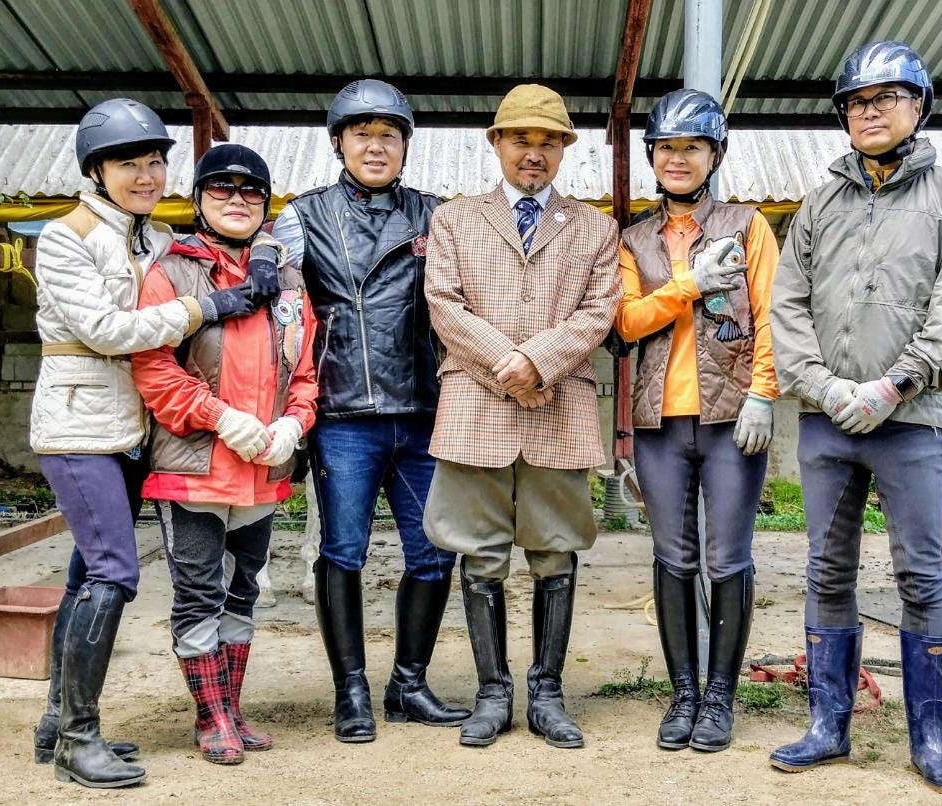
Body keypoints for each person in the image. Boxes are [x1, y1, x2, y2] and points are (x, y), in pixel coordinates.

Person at [768, 41, 942, 796]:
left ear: (918, 106)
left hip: (911, 419)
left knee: (921, 574)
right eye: (857, 102)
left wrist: (895, 385)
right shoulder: (819, 203)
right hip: (827, 419)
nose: (870, 111)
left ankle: (929, 741)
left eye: (886, 98)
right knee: (826, 571)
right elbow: (787, 303)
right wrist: (822, 386)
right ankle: (828, 727)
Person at [31, 99, 270, 788]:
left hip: (134, 430)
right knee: (113, 570)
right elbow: (106, 330)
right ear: (96, 171)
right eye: (128, 164)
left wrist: (259, 259)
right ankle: (79, 740)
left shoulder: (152, 239)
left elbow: (220, 252)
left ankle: (57, 722)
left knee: (85, 574)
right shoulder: (67, 237)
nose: (146, 176)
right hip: (79, 428)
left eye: (155, 162)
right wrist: (205, 307)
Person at [423, 84, 620, 750]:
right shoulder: (455, 219)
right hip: (475, 406)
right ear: (496, 143)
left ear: (564, 150)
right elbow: (444, 304)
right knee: (479, 554)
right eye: (520, 140)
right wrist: (509, 367)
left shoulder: (594, 227)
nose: (533, 154)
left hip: (558, 407)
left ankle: (547, 693)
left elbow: (598, 312)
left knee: (555, 550)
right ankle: (491, 693)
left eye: (547, 142)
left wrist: (538, 362)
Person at [270, 79, 466, 743]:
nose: (376, 146)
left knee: (434, 552)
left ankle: (408, 684)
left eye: (389, 134)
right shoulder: (303, 217)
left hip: (423, 412)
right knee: (343, 551)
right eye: (362, 134)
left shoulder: (438, 216)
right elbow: (281, 310)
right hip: (344, 413)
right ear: (338, 143)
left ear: (405, 146)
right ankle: (350, 690)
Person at [131, 144, 317, 765]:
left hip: (262, 468)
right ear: (199, 199)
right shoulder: (172, 273)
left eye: (250, 191)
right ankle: (210, 718)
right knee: (199, 592)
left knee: (243, 592)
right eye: (221, 188)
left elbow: (306, 371)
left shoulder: (288, 281)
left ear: (266, 204)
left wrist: (294, 422)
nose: (237, 200)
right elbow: (154, 368)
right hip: (194, 468)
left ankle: (231, 709)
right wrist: (220, 417)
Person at [613, 89, 778, 753]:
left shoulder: (748, 226)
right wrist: (687, 284)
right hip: (659, 421)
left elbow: (770, 315)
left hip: (731, 418)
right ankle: (683, 694)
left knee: (727, 556)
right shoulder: (633, 240)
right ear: (652, 156)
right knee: (673, 558)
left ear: (715, 154)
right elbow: (626, 323)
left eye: (691, 147)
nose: (677, 158)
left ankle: (719, 698)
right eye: (666, 148)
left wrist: (764, 393)